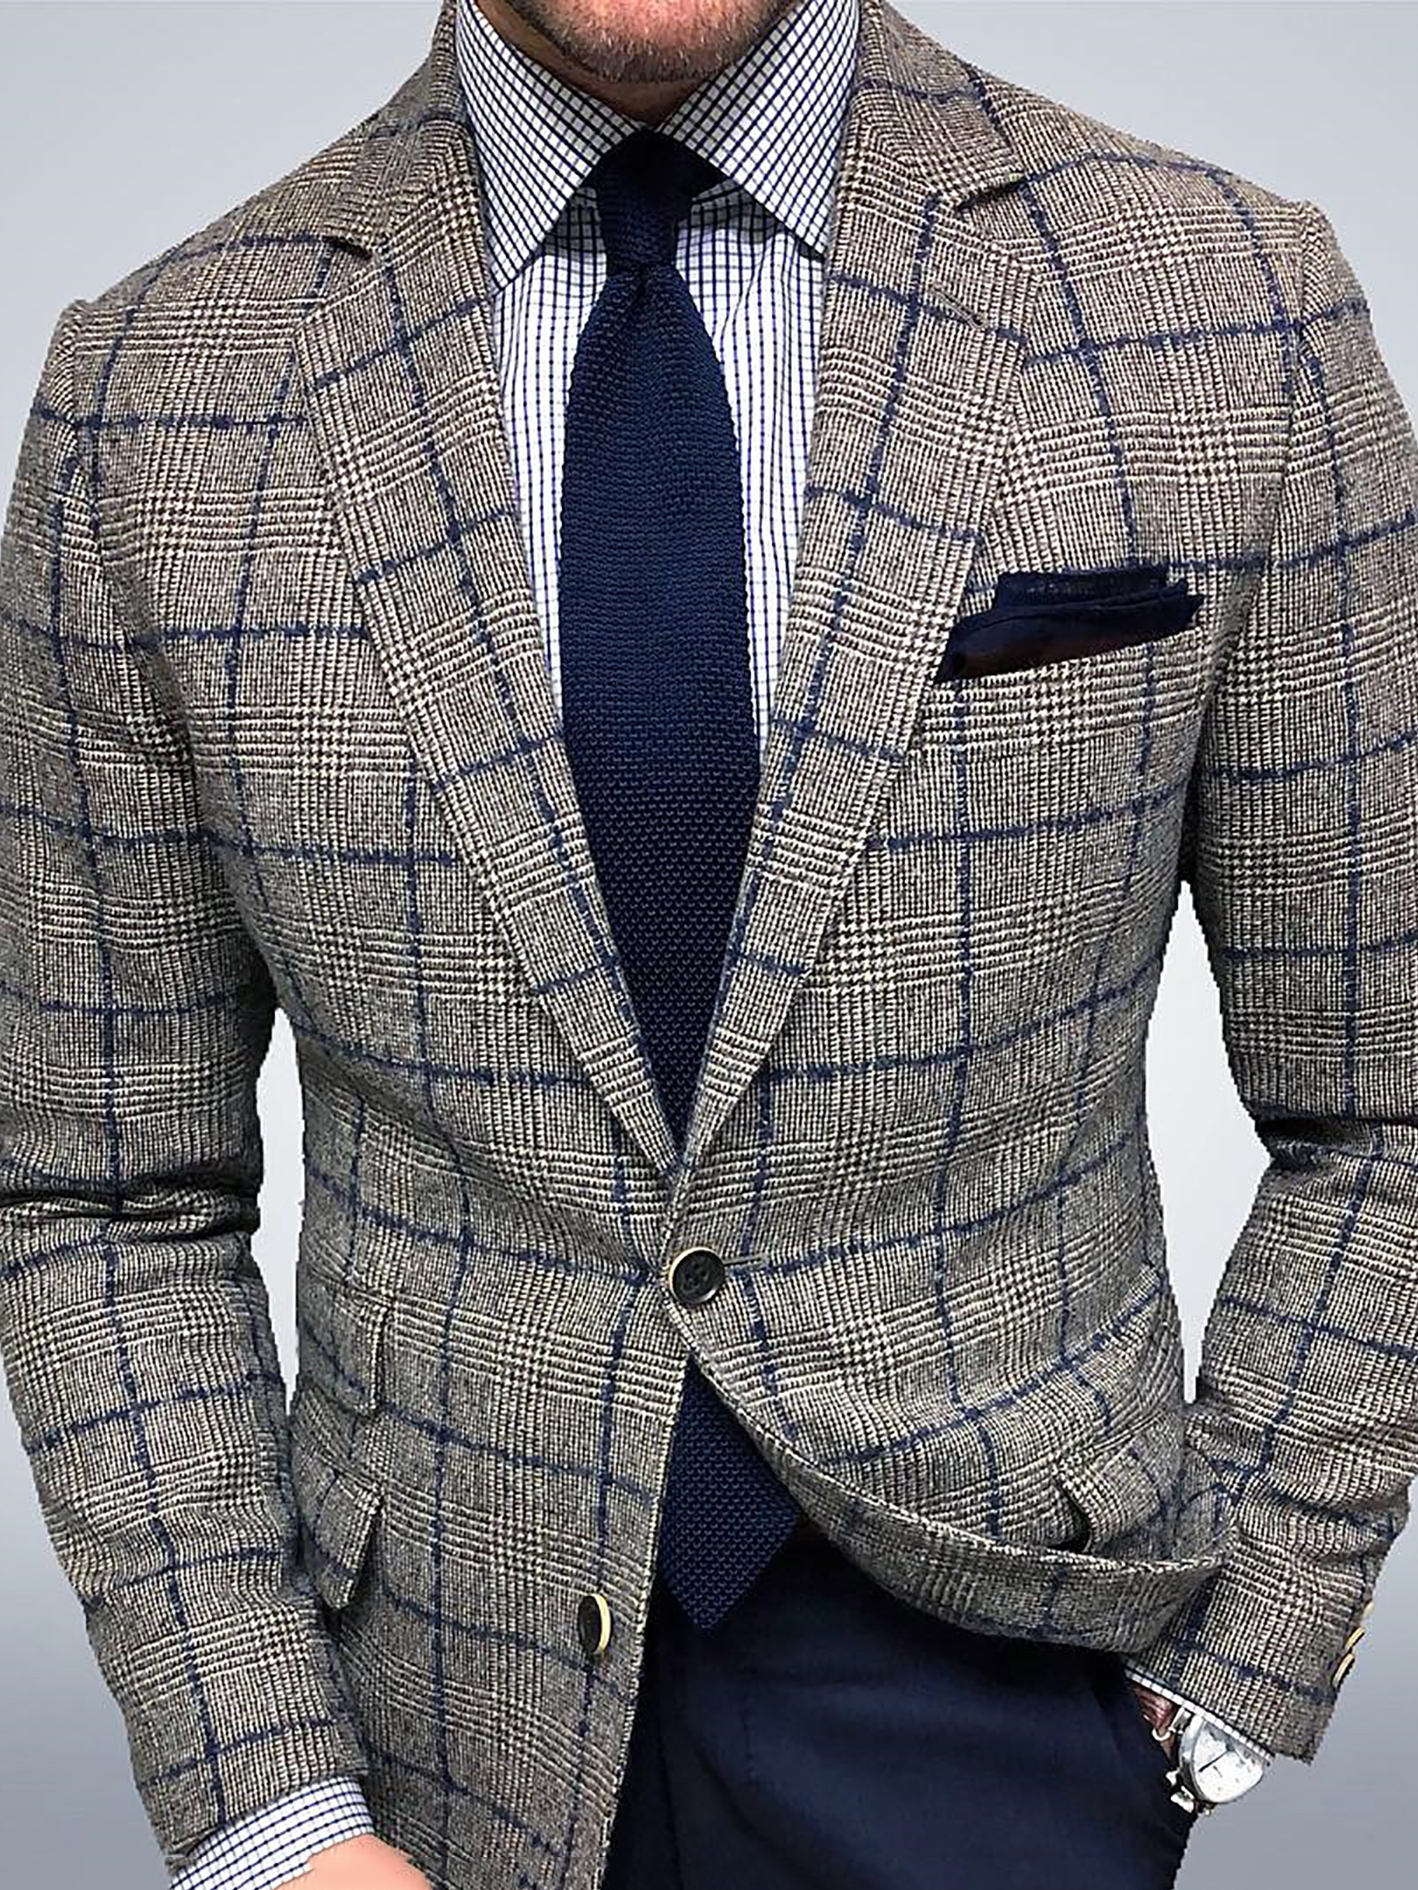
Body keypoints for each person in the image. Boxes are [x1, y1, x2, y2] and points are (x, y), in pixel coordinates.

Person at [1, 0, 1414, 1885]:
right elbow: (101, 1188)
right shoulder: (150, 398)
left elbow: (1385, 1100)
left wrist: (1214, 1681)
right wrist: (267, 1809)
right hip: (417, 1743)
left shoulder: (1230, 307)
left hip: (1006, 1702)